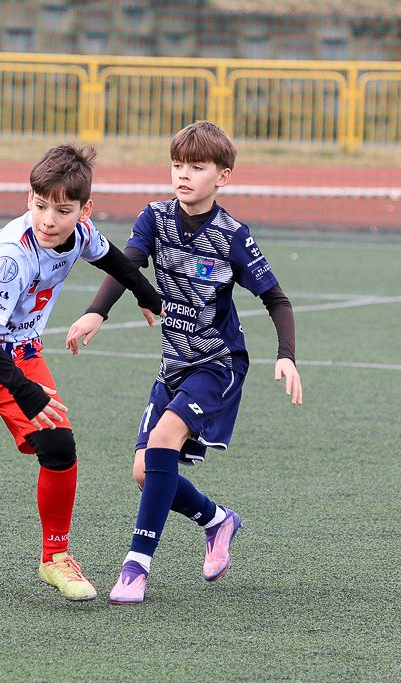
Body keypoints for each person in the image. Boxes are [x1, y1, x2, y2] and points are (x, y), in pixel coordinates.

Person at [0, 144, 163, 600]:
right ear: (29, 198)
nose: (48, 220)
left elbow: (114, 259)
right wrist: (25, 391)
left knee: (58, 443)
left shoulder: (78, 233)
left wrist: (147, 293)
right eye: (40, 205)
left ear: (84, 211)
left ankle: (55, 557)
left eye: (62, 210)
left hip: (15, 351)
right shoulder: (10, 256)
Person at [66, 120, 303, 605]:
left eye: (197, 167)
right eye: (177, 165)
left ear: (223, 176)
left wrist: (287, 357)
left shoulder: (233, 236)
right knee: (145, 470)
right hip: (173, 365)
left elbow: (277, 299)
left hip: (219, 364)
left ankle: (136, 567)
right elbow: (125, 265)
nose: (184, 175)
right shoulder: (154, 218)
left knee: (162, 442)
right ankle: (218, 521)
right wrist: (96, 311)